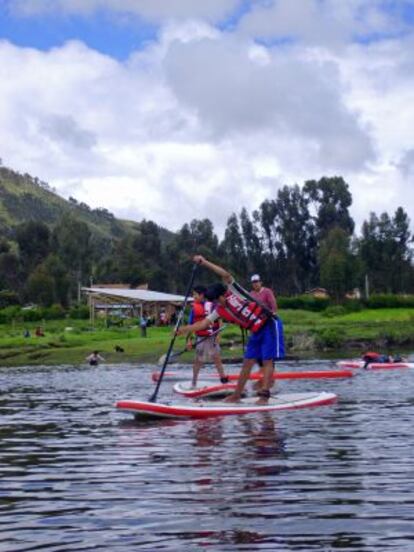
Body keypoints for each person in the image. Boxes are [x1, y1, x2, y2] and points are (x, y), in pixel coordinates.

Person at [177, 255, 278, 404]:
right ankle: (237, 395)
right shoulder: (219, 309)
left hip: (269, 324)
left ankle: (264, 395)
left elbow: (224, 274)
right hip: (256, 331)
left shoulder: (234, 290)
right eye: (214, 302)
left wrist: (205, 262)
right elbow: (203, 324)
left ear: (223, 295)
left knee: (267, 360)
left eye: (218, 300)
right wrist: (183, 329)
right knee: (247, 363)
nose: (217, 303)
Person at [186, 285, 228, 388]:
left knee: (217, 358)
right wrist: (189, 341)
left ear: (201, 295)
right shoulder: (194, 309)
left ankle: (223, 380)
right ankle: (194, 382)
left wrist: (219, 334)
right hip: (201, 338)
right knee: (198, 360)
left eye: (195, 294)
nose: (193, 296)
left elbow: (220, 320)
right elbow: (191, 325)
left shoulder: (213, 305)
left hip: (212, 337)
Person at [250, 274, 285, 362]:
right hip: (257, 323)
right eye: (253, 282)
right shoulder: (251, 294)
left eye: (257, 282)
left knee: (269, 345)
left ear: (260, 282)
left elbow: (274, 306)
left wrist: (272, 315)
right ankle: (262, 368)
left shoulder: (267, 291)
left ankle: (271, 366)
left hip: (268, 321)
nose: (255, 284)